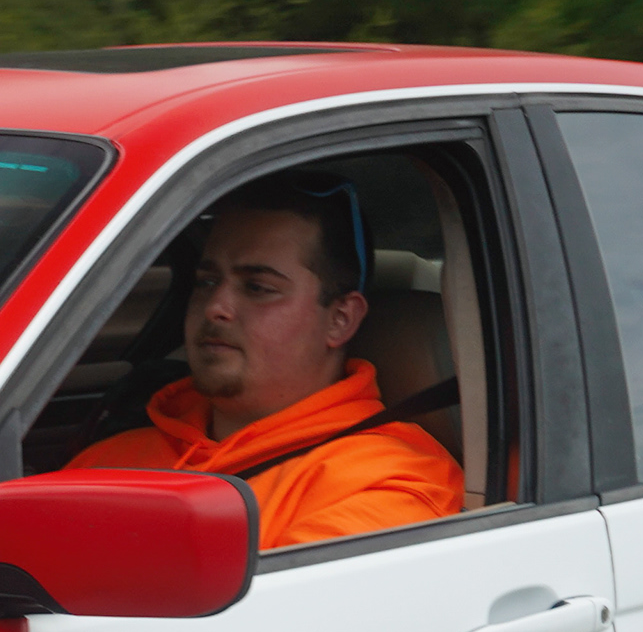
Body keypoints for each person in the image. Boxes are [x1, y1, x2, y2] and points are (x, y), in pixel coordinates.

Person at [64, 176, 462, 550]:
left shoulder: (387, 483)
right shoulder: (113, 455)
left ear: (340, 319)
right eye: (207, 282)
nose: (216, 307)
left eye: (258, 287)